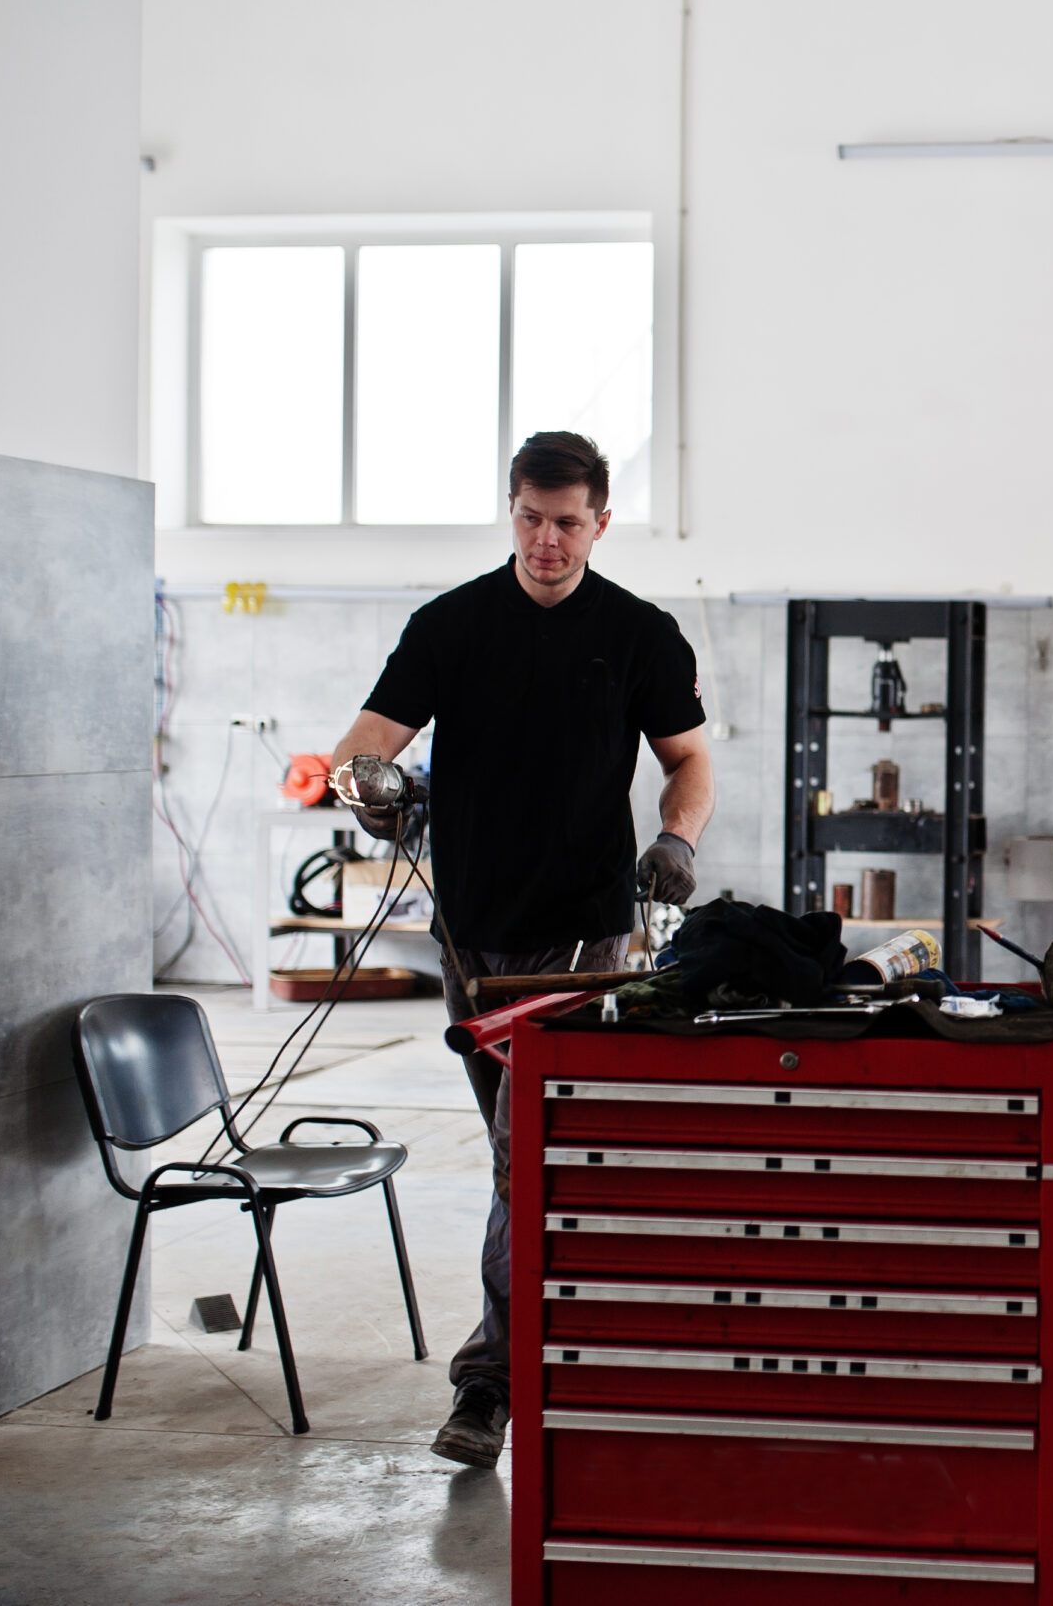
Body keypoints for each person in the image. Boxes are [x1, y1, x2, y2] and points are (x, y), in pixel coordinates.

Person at [330, 430, 713, 1469]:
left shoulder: (638, 633)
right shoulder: (450, 625)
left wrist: (677, 836)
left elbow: (687, 760)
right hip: (472, 932)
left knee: (526, 1152)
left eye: (568, 522)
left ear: (600, 521)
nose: (547, 541)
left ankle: (489, 1388)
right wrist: (369, 788)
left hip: (590, 930)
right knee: (532, 1157)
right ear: (513, 511)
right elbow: (364, 745)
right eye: (531, 519)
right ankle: (550, 1359)